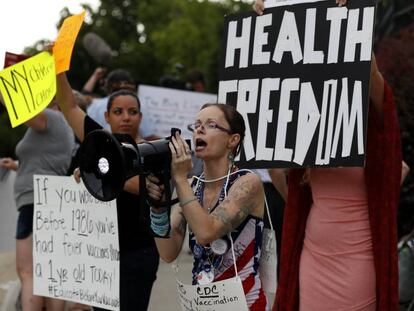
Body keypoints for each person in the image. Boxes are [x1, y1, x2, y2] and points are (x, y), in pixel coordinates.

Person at [254, 1, 402, 310]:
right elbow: (291, 190)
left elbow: (371, 73)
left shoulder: (376, 129)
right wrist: (270, 25)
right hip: (313, 259)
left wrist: (347, 21)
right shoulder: (310, 132)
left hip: (359, 262)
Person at [147, 103, 269, 310]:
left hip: (244, 304)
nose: (199, 130)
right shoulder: (194, 187)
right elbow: (168, 252)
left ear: (233, 140)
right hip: (204, 304)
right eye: (196, 125)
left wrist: (179, 178)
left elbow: (206, 232)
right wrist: (157, 209)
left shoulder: (248, 182)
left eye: (211, 125)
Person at [55, 72, 159, 310]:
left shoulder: (152, 151)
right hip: (100, 254)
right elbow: (69, 105)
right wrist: (58, 66)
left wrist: (97, 171)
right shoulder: (100, 141)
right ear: (106, 116)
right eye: (118, 112)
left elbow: (148, 190)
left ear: (141, 117)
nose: (126, 118)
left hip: (138, 252)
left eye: (133, 112)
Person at [0, 97, 75, 311]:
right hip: (47, 199)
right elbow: (46, 162)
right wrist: (17, 165)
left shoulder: (52, 118)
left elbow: (21, 110)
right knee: (50, 270)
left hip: (34, 201)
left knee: (28, 271)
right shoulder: (64, 127)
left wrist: (4, 90)